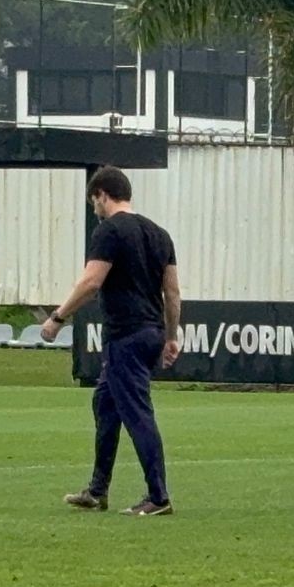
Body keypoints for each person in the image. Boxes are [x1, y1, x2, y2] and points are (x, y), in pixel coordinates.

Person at [55, 166, 181, 517]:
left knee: (137, 413)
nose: (94, 207)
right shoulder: (159, 234)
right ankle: (97, 490)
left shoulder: (109, 231)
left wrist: (58, 317)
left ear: (102, 195)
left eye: (94, 200)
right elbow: (171, 291)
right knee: (105, 406)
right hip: (151, 331)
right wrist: (171, 336)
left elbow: (91, 282)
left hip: (125, 334)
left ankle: (158, 496)